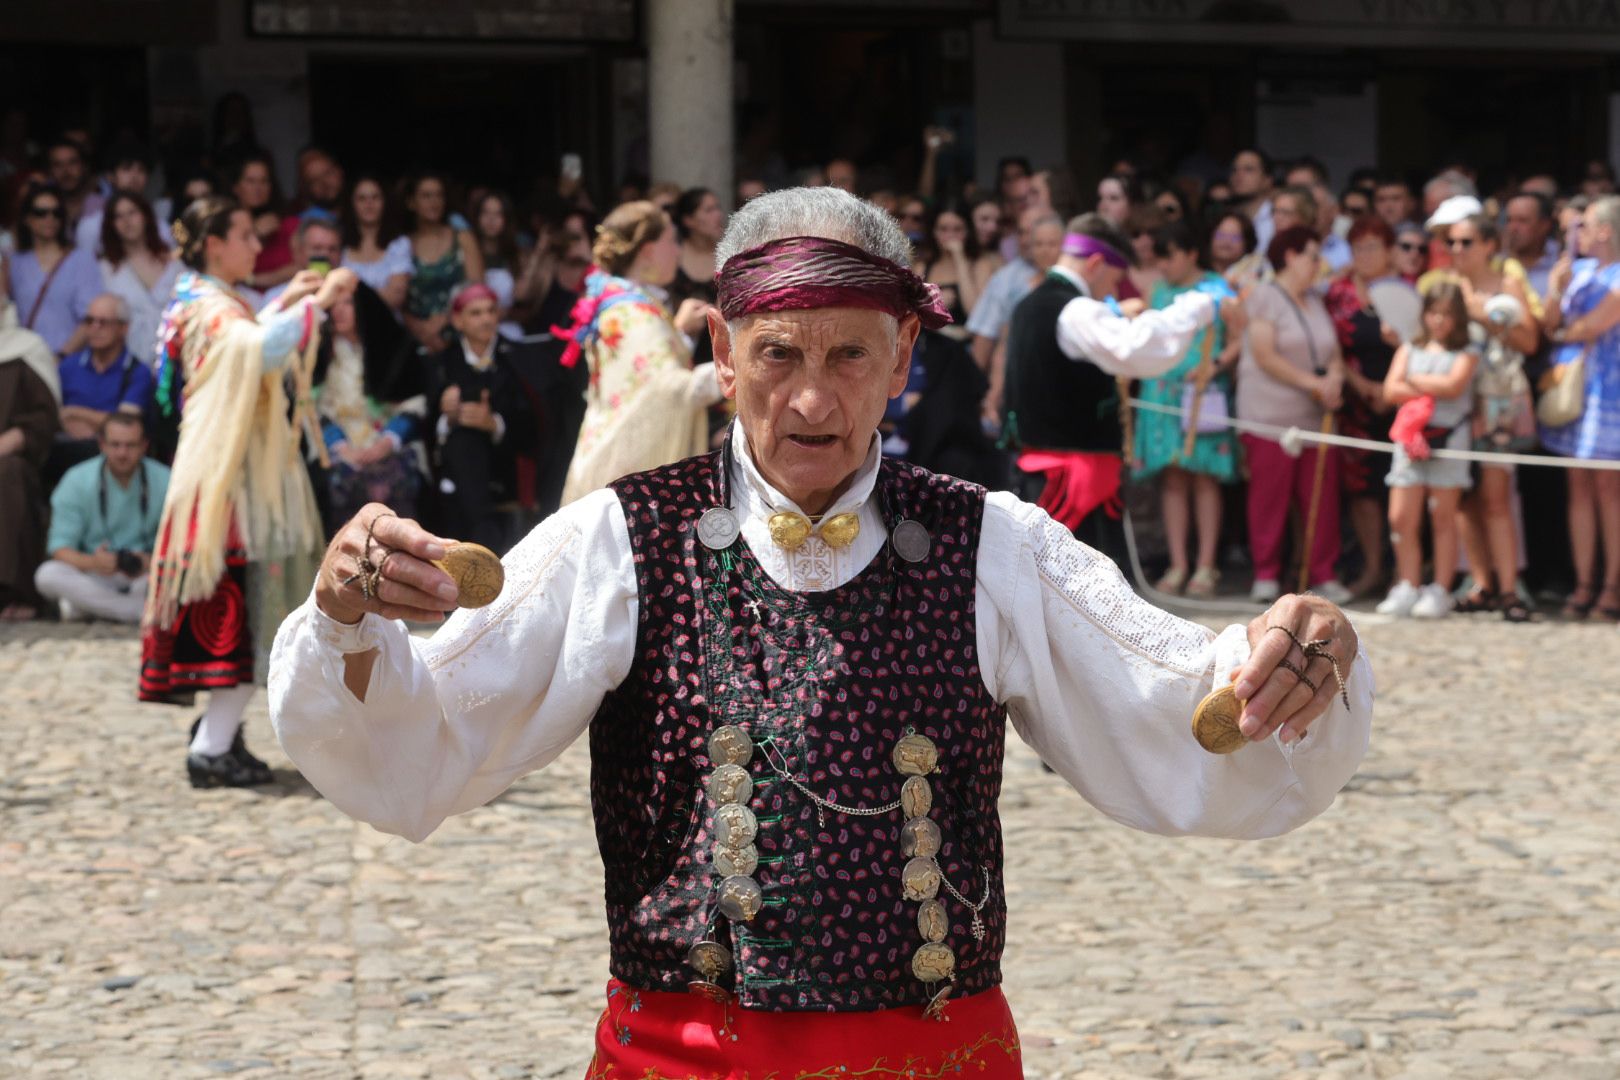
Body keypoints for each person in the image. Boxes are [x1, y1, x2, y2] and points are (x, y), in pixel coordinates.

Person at [269, 186, 1372, 1075]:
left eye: (849, 358)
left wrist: (1291, 661)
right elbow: (426, 745)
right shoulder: (621, 538)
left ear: (902, 358)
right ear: (722, 346)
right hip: (680, 1062)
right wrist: (349, 623)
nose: (810, 400)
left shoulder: (994, 545)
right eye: (779, 355)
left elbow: (1175, 703)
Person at [140, 194, 356, 788]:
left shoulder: (203, 301)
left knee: (242, 602)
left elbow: (246, 342)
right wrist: (321, 302)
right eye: (246, 235)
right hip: (231, 485)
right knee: (245, 605)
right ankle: (211, 747)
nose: (259, 247)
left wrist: (287, 301)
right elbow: (254, 350)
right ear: (216, 244)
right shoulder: (211, 306)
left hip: (226, 476)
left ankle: (219, 736)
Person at [1002, 212, 1241, 572]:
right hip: (1072, 483)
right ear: (1096, 263)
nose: (1114, 292)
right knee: (1083, 596)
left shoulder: (1032, 303)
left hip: (1041, 475)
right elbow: (1140, 349)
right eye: (1113, 281)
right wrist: (1200, 305)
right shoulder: (1075, 310)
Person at [557, 201, 720, 504]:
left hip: (610, 458)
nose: (678, 250)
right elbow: (669, 390)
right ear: (647, 250)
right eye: (671, 241)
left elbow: (640, 381)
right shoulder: (632, 312)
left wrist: (680, 333)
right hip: (625, 475)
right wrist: (740, 365)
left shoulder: (622, 303)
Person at [1237, 226, 1352, 605]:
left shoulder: (1315, 301)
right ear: (1290, 256)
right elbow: (1265, 354)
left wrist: (1333, 379)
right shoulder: (1266, 297)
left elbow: (1331, 352)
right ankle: (1266, 573)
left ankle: (1324, 572)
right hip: (1269, 415)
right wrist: (1312, 383)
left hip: (1314, 416)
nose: (1319, 265)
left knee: (1320, 497)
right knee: (1269, 497)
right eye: (1313, 256)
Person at [1132, 221, 1242, 597]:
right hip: (1161, 393)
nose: (1164, 265)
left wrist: (1216, 364)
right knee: (1173, 476)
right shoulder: (1157, 289)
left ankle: (1206, 565)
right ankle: (1179, 563)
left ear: (1192, 253)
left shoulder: (1217, 288)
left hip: (1202, 393)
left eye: (1170, 256)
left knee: (1204, 476)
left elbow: (1240, 338)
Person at [1446, 214, 1540, 623]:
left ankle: (1508, 590)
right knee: (1463, 499)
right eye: (1452, 242)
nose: (1457, 250)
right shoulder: (1447, 287)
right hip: (1456, 404)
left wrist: (1485, 315)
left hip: (1498, 405)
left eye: (1466, 242)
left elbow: (1529, 340)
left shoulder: (1508, 286)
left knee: (1497, 497)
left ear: (1488, 245)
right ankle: (1481, 583)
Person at [1538, 194, 1620, 620]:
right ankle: (1584, 582)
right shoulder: (1581, 271)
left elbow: (1590, 326)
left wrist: (1564, 330)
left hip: (1610, 392)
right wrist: (1555, 289)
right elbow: (1550, 324)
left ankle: (1612, 587)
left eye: (1584, 225)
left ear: (1605, 229)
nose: (1577, 234)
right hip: (1578, 391)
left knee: (1609, 490)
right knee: (1578, 486)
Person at [1376, 285, 1478, 619]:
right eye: (1434, 312)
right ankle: (1408, 583)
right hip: (1409, 441)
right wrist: (1430, 383)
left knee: (1443, 517)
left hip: (1449, 442)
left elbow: (1454, 386)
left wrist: (1415, 380)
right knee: (1401, 517)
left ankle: (1440, 588)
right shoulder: (1411, 346)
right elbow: (1391, 389)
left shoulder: (1467, 349)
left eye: (1447, 314)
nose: (1439, 320)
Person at [1324, 217, 1405, 598]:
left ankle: (1403, 572)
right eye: (1358, 248)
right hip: (1357, 404)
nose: (1365, 255)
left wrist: (1390, 385)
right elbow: (1332, 346)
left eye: (1373, 246)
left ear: (1389, 250)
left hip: (1403, 401)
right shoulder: (1339, 292)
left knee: (1402, 488)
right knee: (1362, 491)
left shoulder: (1406, 288)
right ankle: (1372, 568)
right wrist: (1364, 387)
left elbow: (1421, 340)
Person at [421, 283, 534, 551]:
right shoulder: (441, 364)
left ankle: (484, 540)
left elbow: (533, 422)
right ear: (457, 320)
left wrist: (493, 423)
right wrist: (448, 416)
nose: (485, 319)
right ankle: (486, 539)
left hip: (506, 461)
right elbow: (425, 427)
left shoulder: (518, 358)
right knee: (463, 440)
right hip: (457, 464)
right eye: (475, 313)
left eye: (490, 311)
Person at [35, 412, 169, 623]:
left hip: (144, 576)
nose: (122, 453)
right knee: (47, 574)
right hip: (95, 575)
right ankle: (132, 612)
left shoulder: (166, 480)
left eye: (130, 445)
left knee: (169, 579)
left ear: (144, 446)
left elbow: (180, 547)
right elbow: (59, 549)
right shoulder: (76, 480)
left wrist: (151, 561)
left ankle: (83, 609)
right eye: (115, 445)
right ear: (101, 445)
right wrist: (93, 562)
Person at [314, 287, 425, 532]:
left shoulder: (389, 350)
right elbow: (316, 411)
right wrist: (342, 448)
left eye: (348, 304)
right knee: (340, 480)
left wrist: (386, 442)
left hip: (386, 444)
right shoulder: (321, 355)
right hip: (341, 448)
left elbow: (412, 404)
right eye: (334, 305)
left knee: (399, 477)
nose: (339, 312)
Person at [0, 291, 61, 621]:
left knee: (8, 474)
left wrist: (12, 439)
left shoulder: (25, 348)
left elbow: (45, 415)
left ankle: (12, 591)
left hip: (9, 454)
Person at [9, 182, 103, 355]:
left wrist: (61, 357)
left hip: (71, 361)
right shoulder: (14, 263)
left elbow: (91, 317)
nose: (49, 218)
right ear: (27, 219)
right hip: (26, 362)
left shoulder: (82, 260)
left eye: (56, 213)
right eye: (41, 213)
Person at [98, 192, 181, 366]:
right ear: (111, 224)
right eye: (119, 216)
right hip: (127, 367)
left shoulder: (174, 263)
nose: (127, 221)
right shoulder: (105, 269)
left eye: (132, 212)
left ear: (145, 216)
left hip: (174, 363)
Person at [403, 173, 484, 351]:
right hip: (417, 339)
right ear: (411, 202)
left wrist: (444, 320)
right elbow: (399, 299)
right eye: (426, 196)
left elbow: (477, 290)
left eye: (439, 195)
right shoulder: (403, 244)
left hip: (462, 335)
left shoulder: (462, 237)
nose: (434, 202)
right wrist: (420, 329)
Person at [74, 139, 172, 256]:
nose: (134, 176)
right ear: (110, 176)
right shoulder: (91, 226)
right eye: (126, 169)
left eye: (141, 170)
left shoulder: (161, 228)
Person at [913, 203, 996, 332]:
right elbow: (910, 316)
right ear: (934, 232)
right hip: (929, 345)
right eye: (943, 229)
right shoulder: (922, 268)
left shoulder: (980, 265)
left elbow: (977, 315)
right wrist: (933, 303)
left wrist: (960, 259)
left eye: (957, 229)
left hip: (964, 345)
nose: (950, 236)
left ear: (967, 231)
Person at [226, 150, 298, 294]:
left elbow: (302, 267)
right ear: (236, 187)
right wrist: (255, 233)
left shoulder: (290, 224)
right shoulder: (227, 227)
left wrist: (251, 280)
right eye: (250, 181)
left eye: (264, 181)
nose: (258, 188)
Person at [667, 187, 725, 367]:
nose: (718, 215)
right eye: (708, 210)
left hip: (721, 356)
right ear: (688, 220)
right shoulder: (671, 257)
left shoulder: (728, 256)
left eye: (717, 207)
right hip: (679, 354)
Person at [340, 175, 412, 310]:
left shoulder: (399, 244)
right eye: (362, 198)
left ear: (385, 202)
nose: (369, 204)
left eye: (375, 197)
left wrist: (350, 296)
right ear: (352, 204)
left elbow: (396, 298)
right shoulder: (340, 245)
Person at [472, 191, 527, 340]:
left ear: (506, 219)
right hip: (474, 334)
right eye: (486, 213)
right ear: (477, 217)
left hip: (508, 333)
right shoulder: (468, 254)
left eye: (498, 214)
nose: (491, 220)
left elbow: (523, 299)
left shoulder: (516, 256)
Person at [259, 214, 343, 309]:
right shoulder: (276, 297)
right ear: (298, 252)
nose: (325, 255)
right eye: (317, 248)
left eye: (332, 249)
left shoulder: (349, 294)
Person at [1503, 190, 1559, 300]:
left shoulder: (1562, 262)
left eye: (1522, 221)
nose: (1513, 228)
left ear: (1544, 225)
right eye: (1509, 220)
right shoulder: (1493, 262)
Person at [46, 136, 101, 232]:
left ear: (84, 167)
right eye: (58, 165)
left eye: (72, 163)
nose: (66, 171)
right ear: (50, 171)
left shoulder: (102, 207)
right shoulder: (41, 209)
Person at [1230, 148, 1276, 251]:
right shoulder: (1226, 217)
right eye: (1234, 170)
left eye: (1248, 169)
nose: (1238, 175)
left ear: (1267, 179)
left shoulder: (1277, 217)